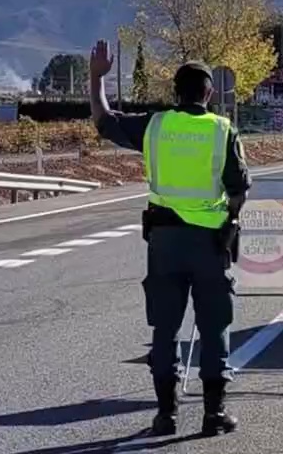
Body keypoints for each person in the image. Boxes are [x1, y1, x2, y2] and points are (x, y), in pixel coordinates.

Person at [86, 40, 251, 437]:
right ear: (209, 92)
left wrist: (96, 77)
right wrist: (231, 219)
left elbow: (104, 121)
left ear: (175, 92)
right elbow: (240, 185)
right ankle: (214, 415)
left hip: (164, 243)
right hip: (210, 243)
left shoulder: (155, 126)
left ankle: (166, 415)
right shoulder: (221, 130)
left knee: (165, 330)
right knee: (214, 328)